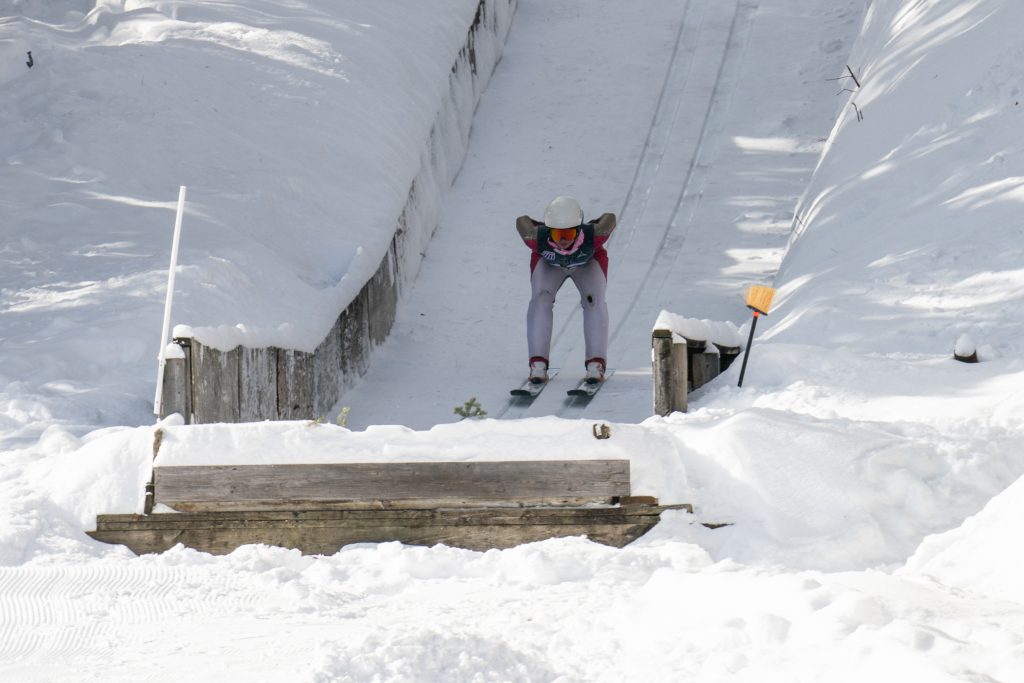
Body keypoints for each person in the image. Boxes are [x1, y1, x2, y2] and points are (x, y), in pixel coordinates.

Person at [516, 196, 617, 385]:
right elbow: (522, 222)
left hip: (588, 263)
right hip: (549, 265)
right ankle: (537, 363)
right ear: (548, 231)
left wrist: (596, 225)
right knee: (540, 299)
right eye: (556, 235)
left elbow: (609, 218)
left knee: (593, 300)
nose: (562, 240)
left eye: (569, 234)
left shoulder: (594, 236)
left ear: (579, 230)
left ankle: (596, 364)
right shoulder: (536, 239)